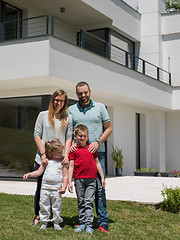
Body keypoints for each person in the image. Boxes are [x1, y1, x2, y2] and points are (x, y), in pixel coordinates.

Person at [68, 82, 112, 233]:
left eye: (85, 92)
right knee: (81, 188)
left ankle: (102, 221)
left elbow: (109, 128)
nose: (83, 95)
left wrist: (98, 142)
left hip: (97, 153)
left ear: (90, 91)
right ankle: (85, 220)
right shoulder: (71, 110)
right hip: (79, 154)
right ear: (77, 94)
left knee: (100, 188)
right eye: (80, 93)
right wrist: (72, 144)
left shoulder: (100, 107)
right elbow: (69, 132)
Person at [33, 89, 72, 225]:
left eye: (61, 100)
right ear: (52, 100)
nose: (58, 103)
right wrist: (43, 154)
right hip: (42, 159)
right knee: (40, 188)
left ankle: (54, 216)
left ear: (64, 102)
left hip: (59, 161)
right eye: (56, 99)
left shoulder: (68, 118)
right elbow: (37, 135)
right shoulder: (42, 115)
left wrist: (66, 155)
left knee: (56, 189)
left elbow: (69, 138)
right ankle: (38, 215)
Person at [23, 139, 68, 230]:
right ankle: (44, 222)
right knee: (44, 205)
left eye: (61, 152)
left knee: (56, 206)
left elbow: (65, 176)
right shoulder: (46, 162)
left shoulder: (62, 163)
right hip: (45, 188)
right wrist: (29, 174)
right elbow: (39, 172)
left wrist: (64, 187)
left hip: (56, 189)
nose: (61, 154)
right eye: (58, 152)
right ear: (51, 152)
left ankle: (56, 222)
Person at [68, 124, 105, 234]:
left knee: (88, 202)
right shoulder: (73, 150)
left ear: (87, 137)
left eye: (84, 136)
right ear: (75, 136)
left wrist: (102, 178)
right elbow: (71, 166)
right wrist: (69, 181)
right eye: (80, 136)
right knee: (81, 202)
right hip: (79, 180)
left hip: (91, 180)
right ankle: (82, 223)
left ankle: (89, 225)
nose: (82, 138)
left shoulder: (92, 149)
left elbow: (98, 163)